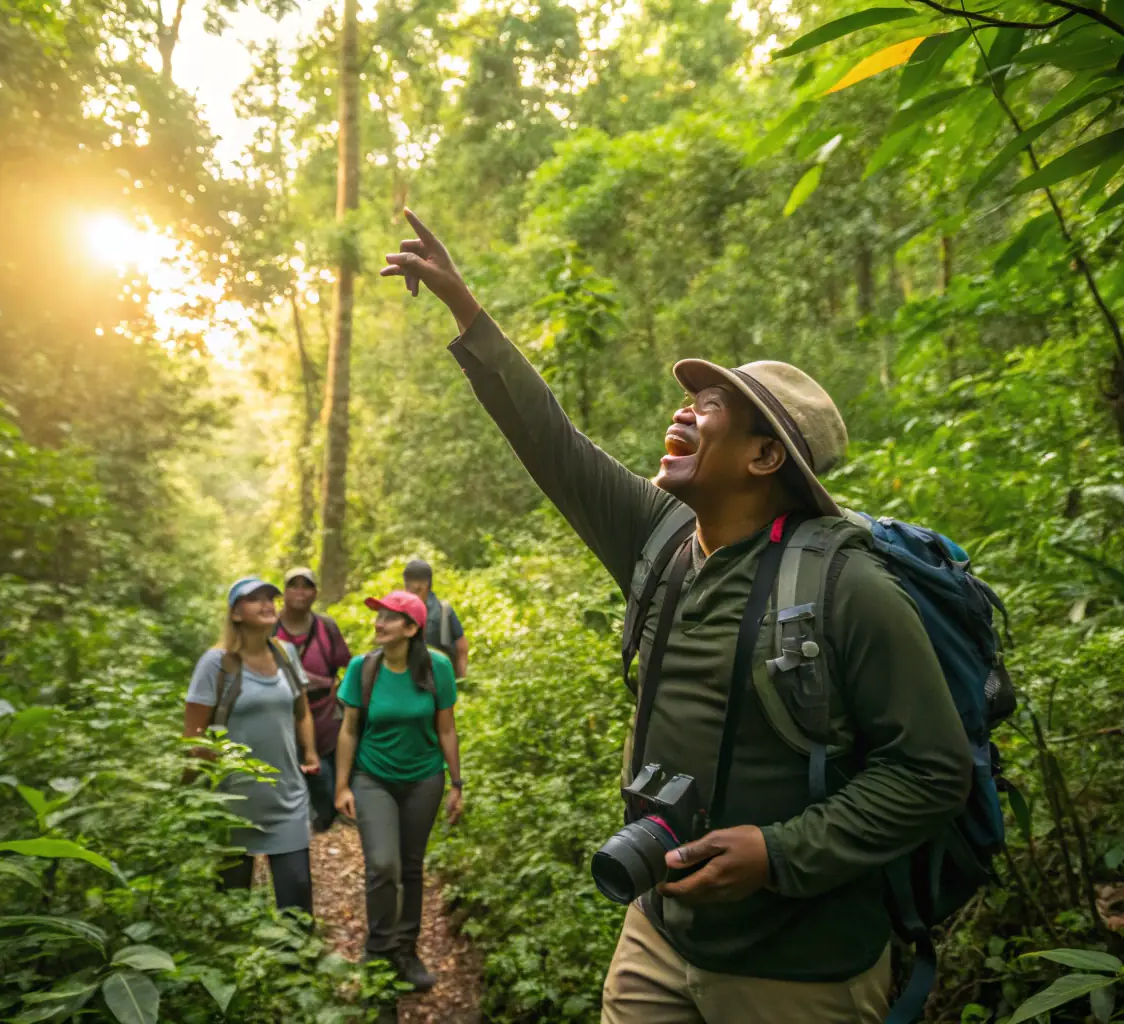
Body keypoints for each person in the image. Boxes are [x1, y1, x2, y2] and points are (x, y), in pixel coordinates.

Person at [380, 211, 973, 1023]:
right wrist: (466, 310)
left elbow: (932, 771)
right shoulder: (657, 541)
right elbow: (548, 439)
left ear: (766, 458)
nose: (685, 412)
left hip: (800, 970)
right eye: (689, 398)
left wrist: (776, 853)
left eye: (713, 406)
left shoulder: (847, 589)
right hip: (658, 934)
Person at [333, 589, 464, 992]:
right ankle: (378, 951)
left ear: (411, 628)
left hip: (424, 778)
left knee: (410, 866)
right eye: (378, 616)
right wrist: (341, 786)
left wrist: (457, 784)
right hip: (372, 778)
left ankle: (406, 951)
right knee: (384, 865)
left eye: (389, 617)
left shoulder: (437, 667)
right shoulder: (362, 667)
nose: (379, 623)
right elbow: (349, 729)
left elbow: (445, 728)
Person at [183, 576, 321, 915]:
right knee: (232, 906)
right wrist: (192, 792)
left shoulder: (285, 653)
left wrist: (311, 753)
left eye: (270, 598)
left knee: (298, 902)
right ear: (235, 614)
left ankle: (298, 965)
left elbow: (301, 710)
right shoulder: (215, 663)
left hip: (287, 798)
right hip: (233, 804)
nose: (266, 604)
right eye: (254, 599)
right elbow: (194, 734)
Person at [275, 566, 352, 832]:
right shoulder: (269, 628)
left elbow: (348, 665)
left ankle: (323, 822)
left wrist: (339, 692)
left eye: (306, 585)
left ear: (315, 593)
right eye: (293, 585)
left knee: (327, 788)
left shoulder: (326, 627)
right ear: (283, 592)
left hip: (323, 720)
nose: (299, 591)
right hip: (281, 719)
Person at [402, 558, 468, 679]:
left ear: (424, 586)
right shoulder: (400, 610)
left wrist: (461, 678)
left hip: (438, 677)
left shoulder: (443, 610)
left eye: (414, 588)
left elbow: (461, 646)